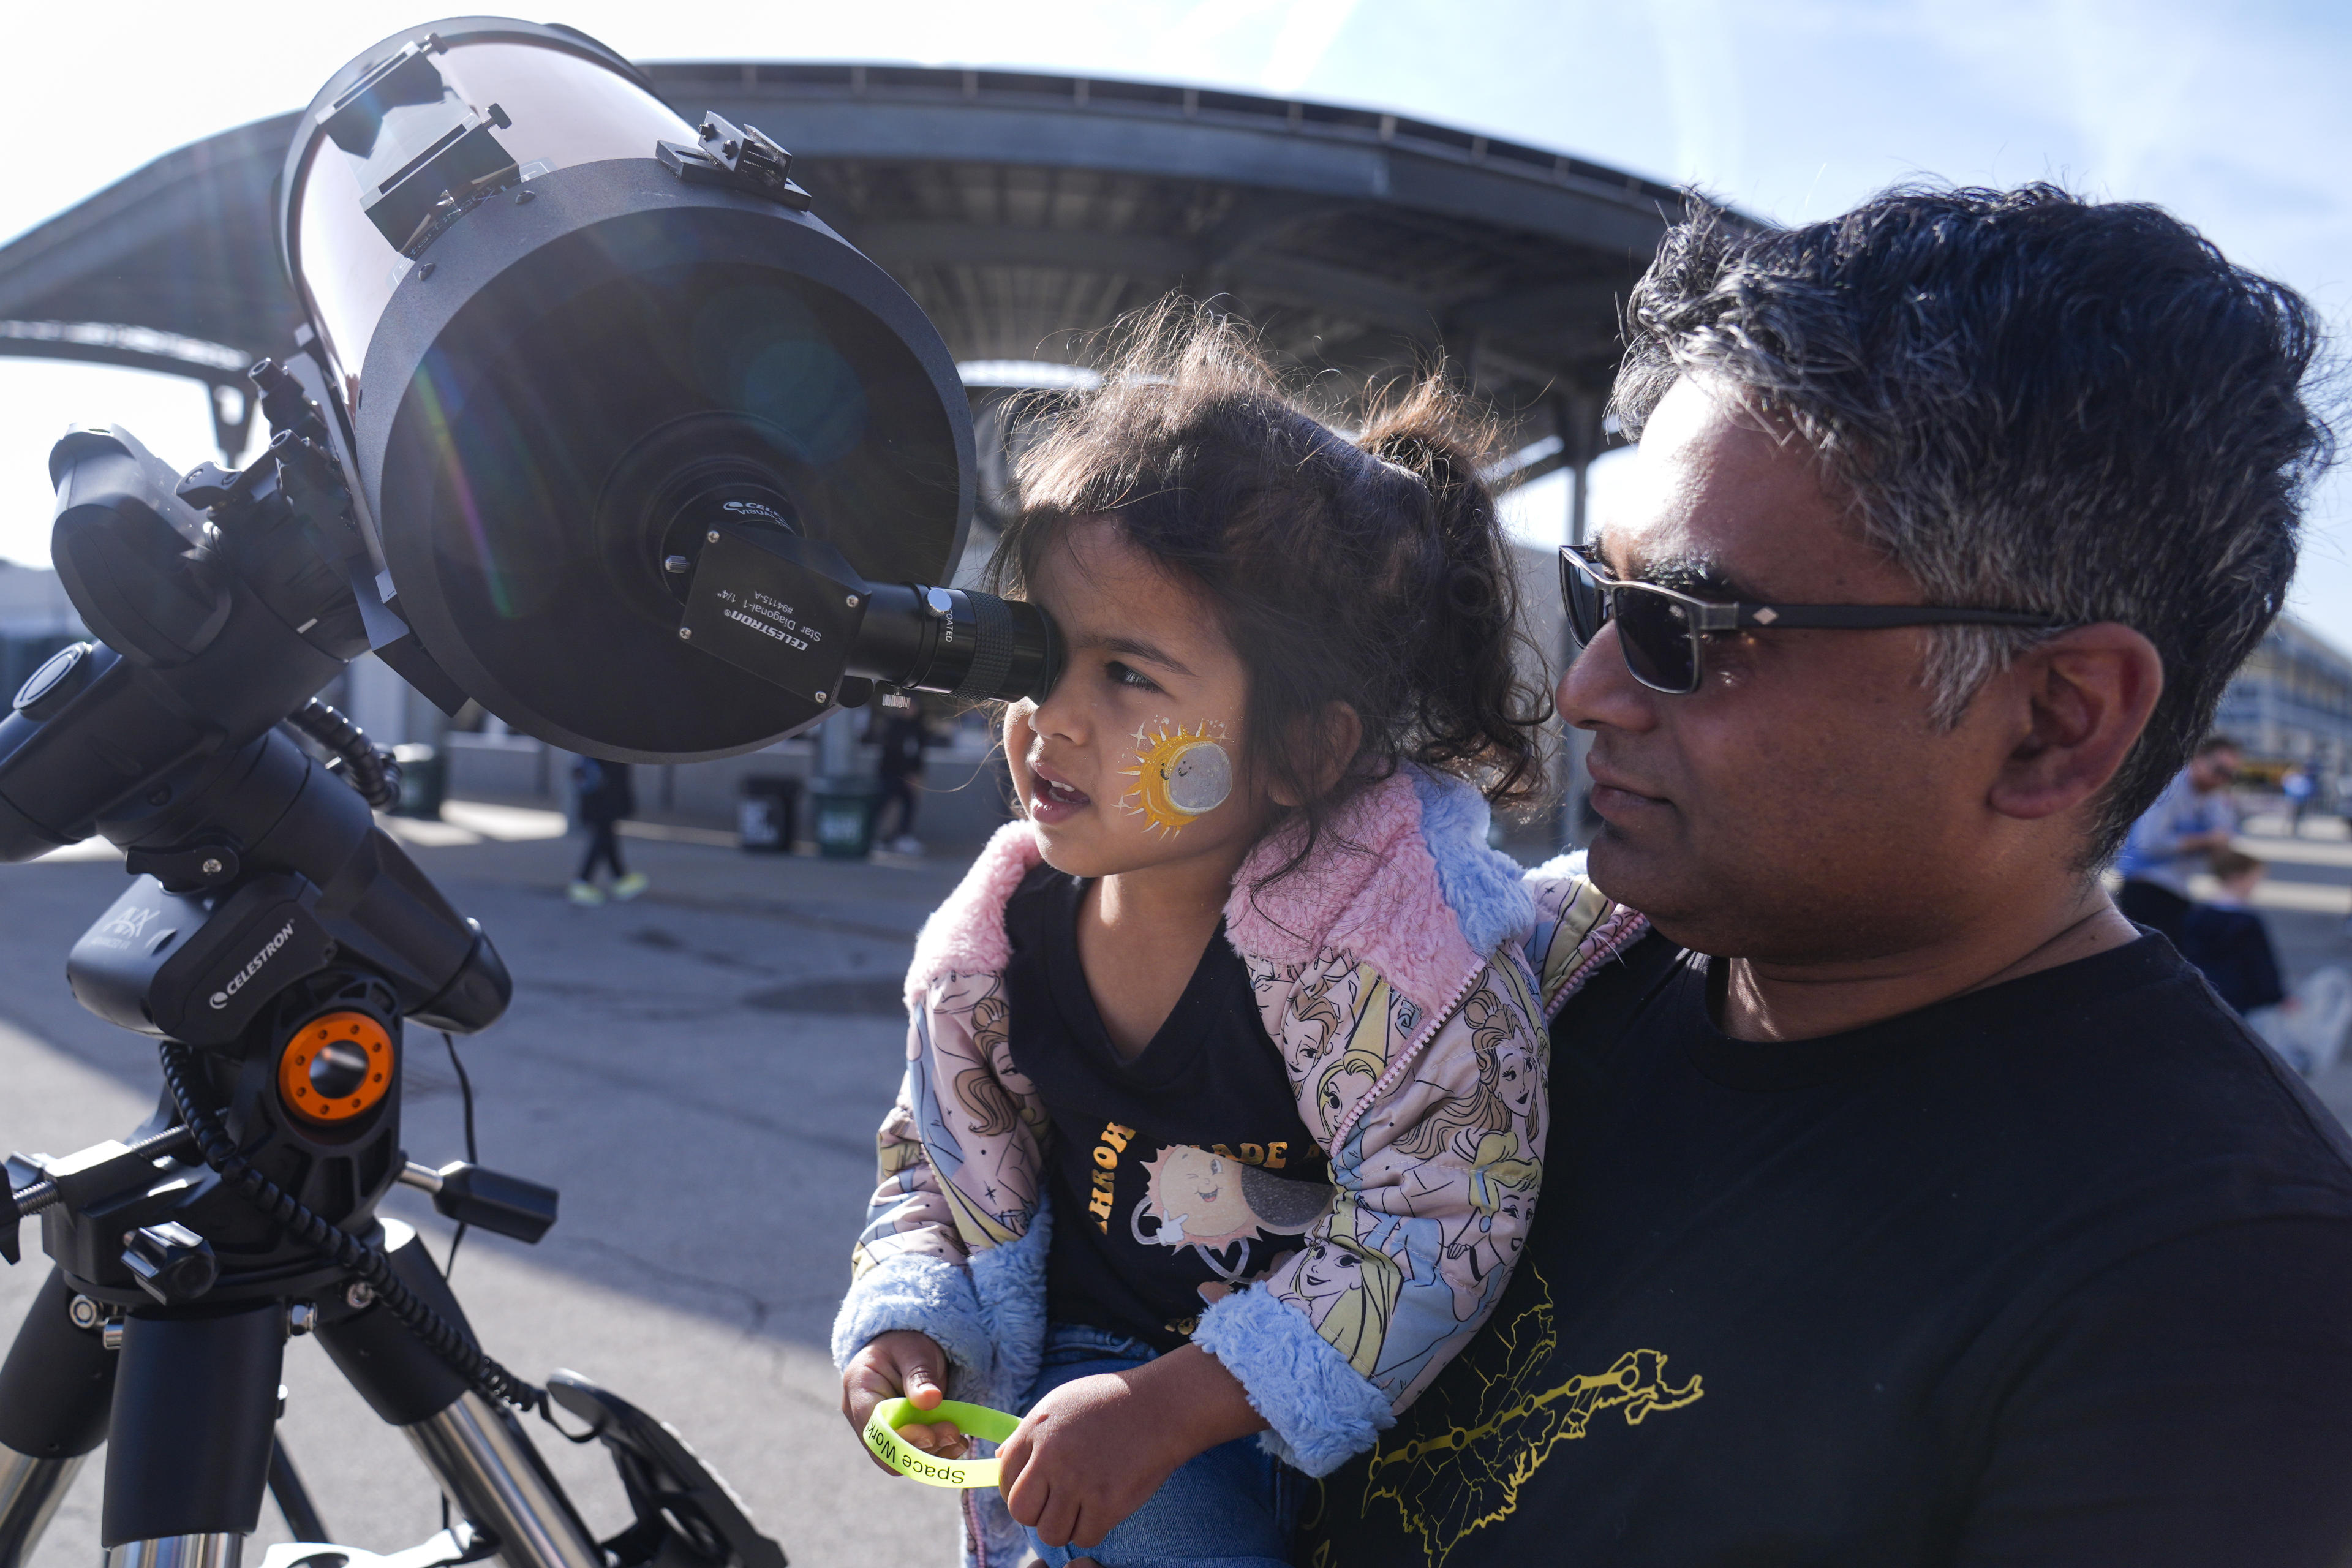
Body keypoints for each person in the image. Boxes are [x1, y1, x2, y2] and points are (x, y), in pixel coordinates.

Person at [1302, 185, 2352, 1565]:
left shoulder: (2213, 1301)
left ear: (2053, 721)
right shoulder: (1550, 974)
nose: (1587, 689)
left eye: (1684, 622)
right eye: (1599, 596)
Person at [831, 302, 1642, 1567]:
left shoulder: (1394, 963)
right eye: (1042, 653)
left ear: (1304, 748)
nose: (1053, 715)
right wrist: (908, 1318)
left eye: (1130, 676)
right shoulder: (998, 945)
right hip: (1071, 1381)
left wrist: (1173, 1406)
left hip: (1284, 1395)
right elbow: (934, 1164)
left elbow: (1440, 1220)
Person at [2113, 733, 2241, 942]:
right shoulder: (2171, 789)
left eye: (2230, 775)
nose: (2223, 779)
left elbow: (2224, 836)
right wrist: (2207, 840)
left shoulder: (2212, 798)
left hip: (2177, 890)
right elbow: (2149, 843)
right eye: (2219, 770)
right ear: (2198, 759)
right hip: (2146, 886)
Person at [2177, 849, 2286, 1014]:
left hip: (2203, 989)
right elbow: (2260, 963)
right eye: (2255, 879)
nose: (2256, 885)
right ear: (2238, 878)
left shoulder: (2198, 915)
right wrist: (2277, 996)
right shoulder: (2246, 922)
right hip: (2240, 996)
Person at [568, 756, 645, 906]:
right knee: (602, 838)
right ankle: (582, 882)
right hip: (603, 799)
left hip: (601, 798)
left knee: (606, 837)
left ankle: (620, 879)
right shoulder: (604, 745)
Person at [867, 695, 933, 856]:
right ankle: (874, 837)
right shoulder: (894, 726)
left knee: (908, 805)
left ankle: (902, 837)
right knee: (883, 803)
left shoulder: (918, 728)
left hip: (909, 776)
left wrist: (916, 774)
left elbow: (918, 754)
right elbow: (893, 752)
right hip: (891, 773)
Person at [2283, 764, 2315, 832]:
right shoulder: (2294, 778)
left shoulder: (2301, 779)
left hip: (2299, 799)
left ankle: (2295, 828)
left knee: (2297, 815)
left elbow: (2307, 788)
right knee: (2292, 815)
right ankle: (2291, 828)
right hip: (2295, 799)